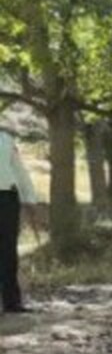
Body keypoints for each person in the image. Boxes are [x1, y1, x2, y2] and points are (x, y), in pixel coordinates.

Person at [0, 126, 39, 314]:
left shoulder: (6, 139)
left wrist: (30, 198)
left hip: (7, 198)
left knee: (8, 250)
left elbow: (19, 170)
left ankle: (11, 302)